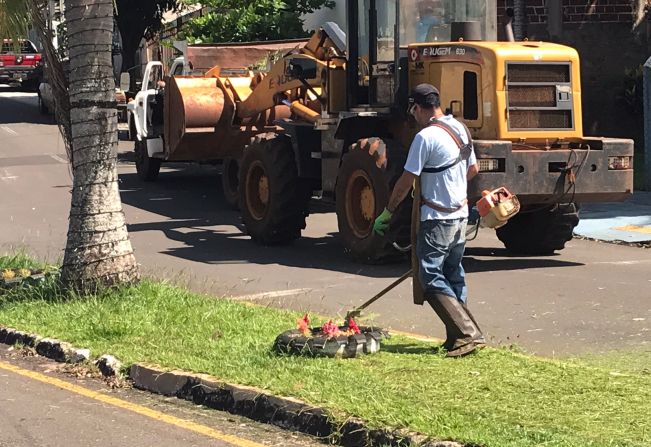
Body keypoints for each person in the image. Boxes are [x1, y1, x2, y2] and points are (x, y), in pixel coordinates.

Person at [373, 83, 484, 357]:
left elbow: (404, 182)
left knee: (429, 275)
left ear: (419, 108)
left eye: (414, 112)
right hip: (460, 216)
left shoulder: (425, 138)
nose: (414, 118)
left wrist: (388, 212)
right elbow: (473, 169)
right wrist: (451, 184)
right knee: (453, 273)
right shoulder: (460, 128)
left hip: (437, 219)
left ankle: (468, 333)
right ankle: (457, 337)